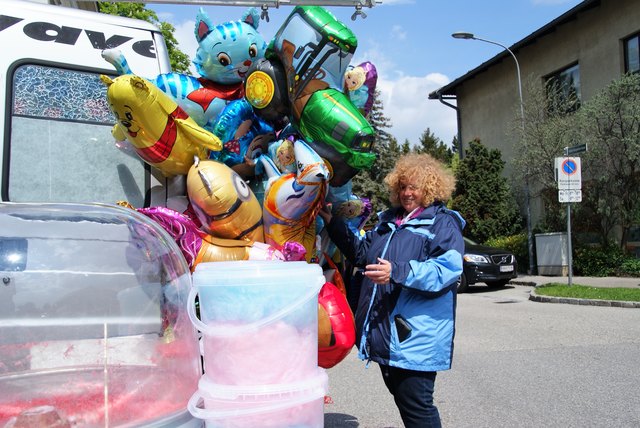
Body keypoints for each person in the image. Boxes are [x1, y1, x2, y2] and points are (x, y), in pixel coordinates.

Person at [319, 153, 465, 428]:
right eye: (403, 186)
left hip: (415, 336)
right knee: (406, 402)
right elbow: (361, 254)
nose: (407, 193)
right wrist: (332, 222)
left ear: (430, 189)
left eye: (414, 187)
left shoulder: (442, 223)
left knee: (417, 407)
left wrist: (397, 272)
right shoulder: (389, 223)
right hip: (388, 335)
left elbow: (445, 271)